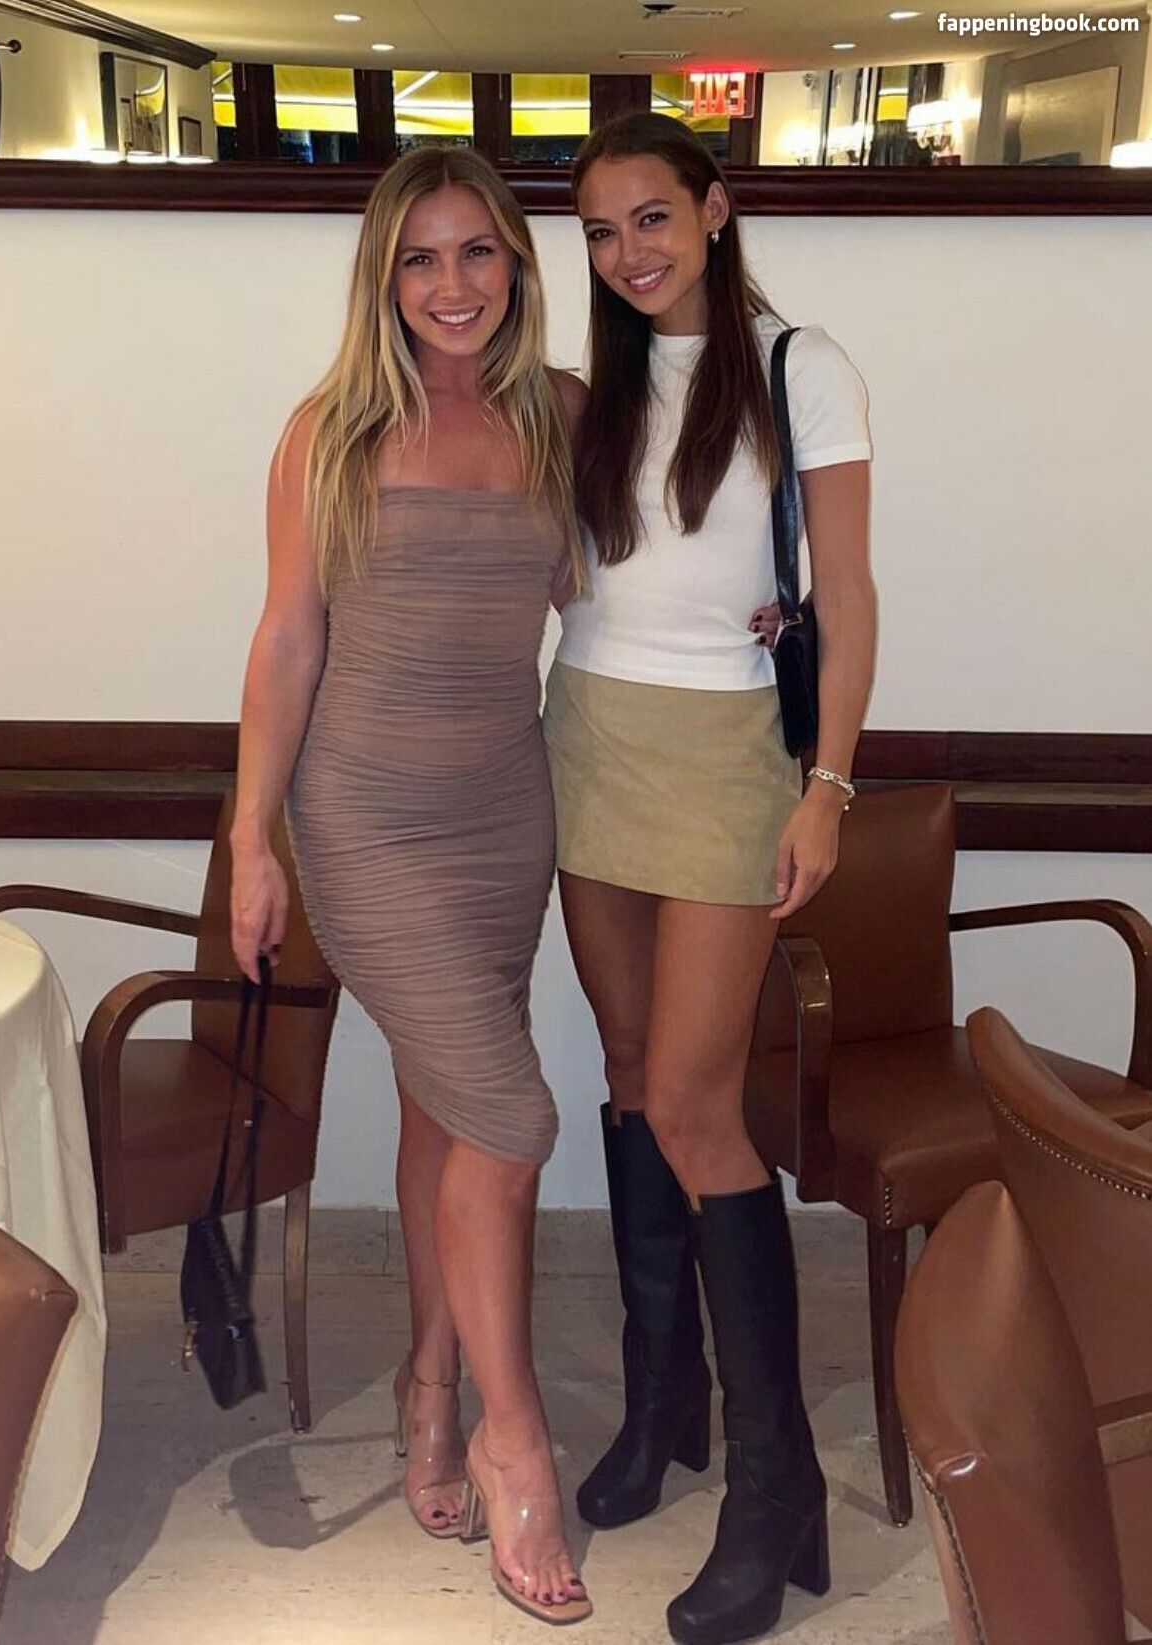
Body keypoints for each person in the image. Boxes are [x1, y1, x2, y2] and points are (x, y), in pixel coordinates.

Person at [229, 146, 592, 1627]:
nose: (453, 285)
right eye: (421, 258)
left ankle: (432, 1381)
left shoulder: (562, 415)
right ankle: (517, 1438)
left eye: (479, 252)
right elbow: (287, 641)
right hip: (366, 818)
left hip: (505, 812)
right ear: (384, 277)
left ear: (516, 264)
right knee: (513, 1115)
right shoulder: (329, 430)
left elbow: (611, 591)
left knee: (451, 1110)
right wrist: (252, 837)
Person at [544, 113, 876, 1645]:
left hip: (732, 757)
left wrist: (829, 787)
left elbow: (847, 591)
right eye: (602, 232)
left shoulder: (805, 368)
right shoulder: (590, 393)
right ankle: (661, 1403)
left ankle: (773, 1480)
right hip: (588, 736)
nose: (630, 253)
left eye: (654, 218)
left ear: (717, 208)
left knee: (695, 1103)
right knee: (628, 1072)